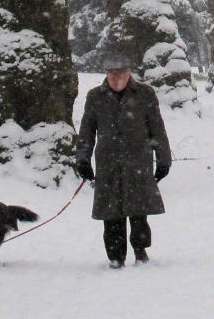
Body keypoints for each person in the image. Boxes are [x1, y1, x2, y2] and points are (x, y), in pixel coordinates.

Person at [76, 54, 173, 268]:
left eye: (121, 73)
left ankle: (140, 251)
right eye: (112, 73)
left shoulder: (145, 94)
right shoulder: (95, 97)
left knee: (138, 212)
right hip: (108, 163)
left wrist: (164, 159)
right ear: (106, 75)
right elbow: (86, 132)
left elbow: (157, 128)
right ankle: (115, 257)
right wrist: (82, 159)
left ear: (129, 73)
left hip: (138, 161)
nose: (116, 78)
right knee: (111, 215)